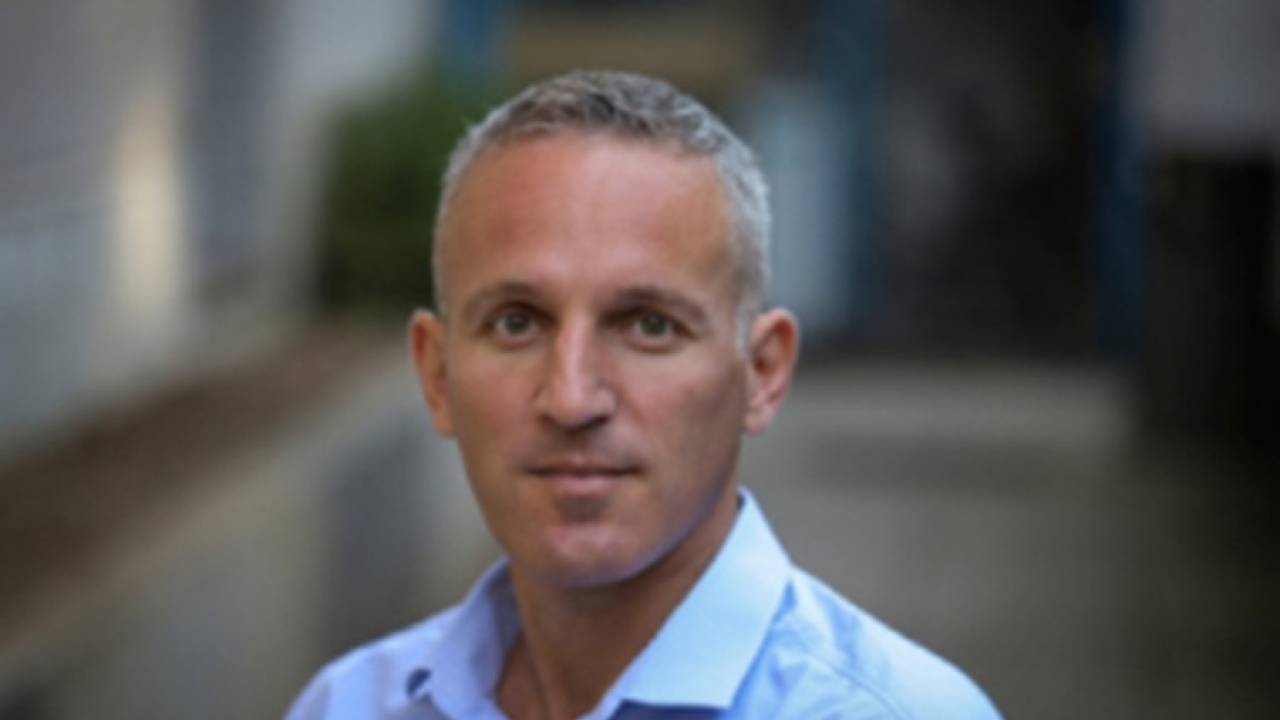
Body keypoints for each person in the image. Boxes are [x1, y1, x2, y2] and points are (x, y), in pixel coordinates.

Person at [286, 70, 999, 720]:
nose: (571, 398)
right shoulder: (346, 707)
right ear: (437, 376)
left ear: (761, 372)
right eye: (517, 323)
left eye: (649, 326)